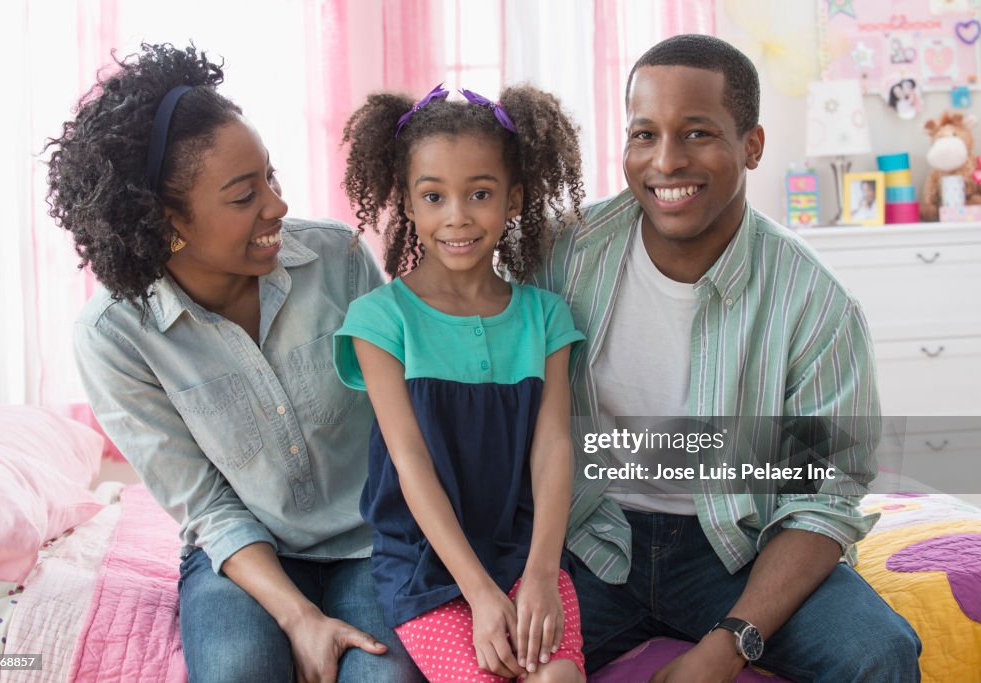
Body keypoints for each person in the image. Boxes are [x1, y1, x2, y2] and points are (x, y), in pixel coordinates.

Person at [532, 35, 922, 682]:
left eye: (696, 133)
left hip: (736, 546)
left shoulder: (816, 302)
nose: (665, 161)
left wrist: (729, 644)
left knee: (878, 652)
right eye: (644, 134)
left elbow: (825, 497)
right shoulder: (564, 256)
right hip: (591, 538)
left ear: (753, 145)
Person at [45, 43, 422, 683]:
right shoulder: (114, 336)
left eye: (271, 178)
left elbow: (406, 420)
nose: (277, 205)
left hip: (371, 539)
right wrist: (299, 616)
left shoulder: (335, 260)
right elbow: (206, 507)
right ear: (168, 224)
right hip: (244, 553)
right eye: (246, 195)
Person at [333, 84, 587, 683]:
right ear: (410, 206)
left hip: (527, 555)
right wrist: (477, 595)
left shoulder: (545, 317)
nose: (457, 216)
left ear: (514, 198)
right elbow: (410, 461)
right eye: (434, 196)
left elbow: (552, 449)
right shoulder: (380, 319)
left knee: (557, 677)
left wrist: (544, 576)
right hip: (428, 565)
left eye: (479, 193)